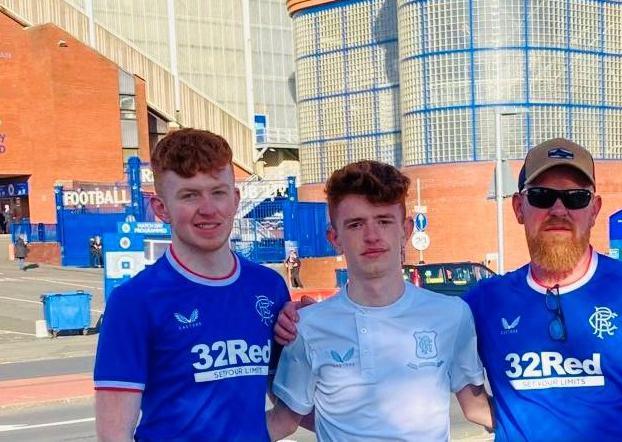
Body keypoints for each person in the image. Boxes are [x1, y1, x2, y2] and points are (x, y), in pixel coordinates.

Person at [463, 138, 622, 441]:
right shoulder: (484, 302)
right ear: (519, 208)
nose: (558, 209)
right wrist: (477, 407)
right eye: (542, 196)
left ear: (594, 210)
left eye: (576, 197)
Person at [267, 160, 492, 441]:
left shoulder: (452, 315)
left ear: (406, 230)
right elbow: (282, 422)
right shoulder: (308, 327)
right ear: (334, 238)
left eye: (384, 221)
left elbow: (477, 408)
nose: (372, 236)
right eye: (356, 224)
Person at [93, 128, 290, 441]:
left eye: (218, 192)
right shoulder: (134, 301)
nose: (208, 208)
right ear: (161, 209)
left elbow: (291, 407)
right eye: (189, 195)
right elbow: (113, 434)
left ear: (235, 199)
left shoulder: (269, 287)